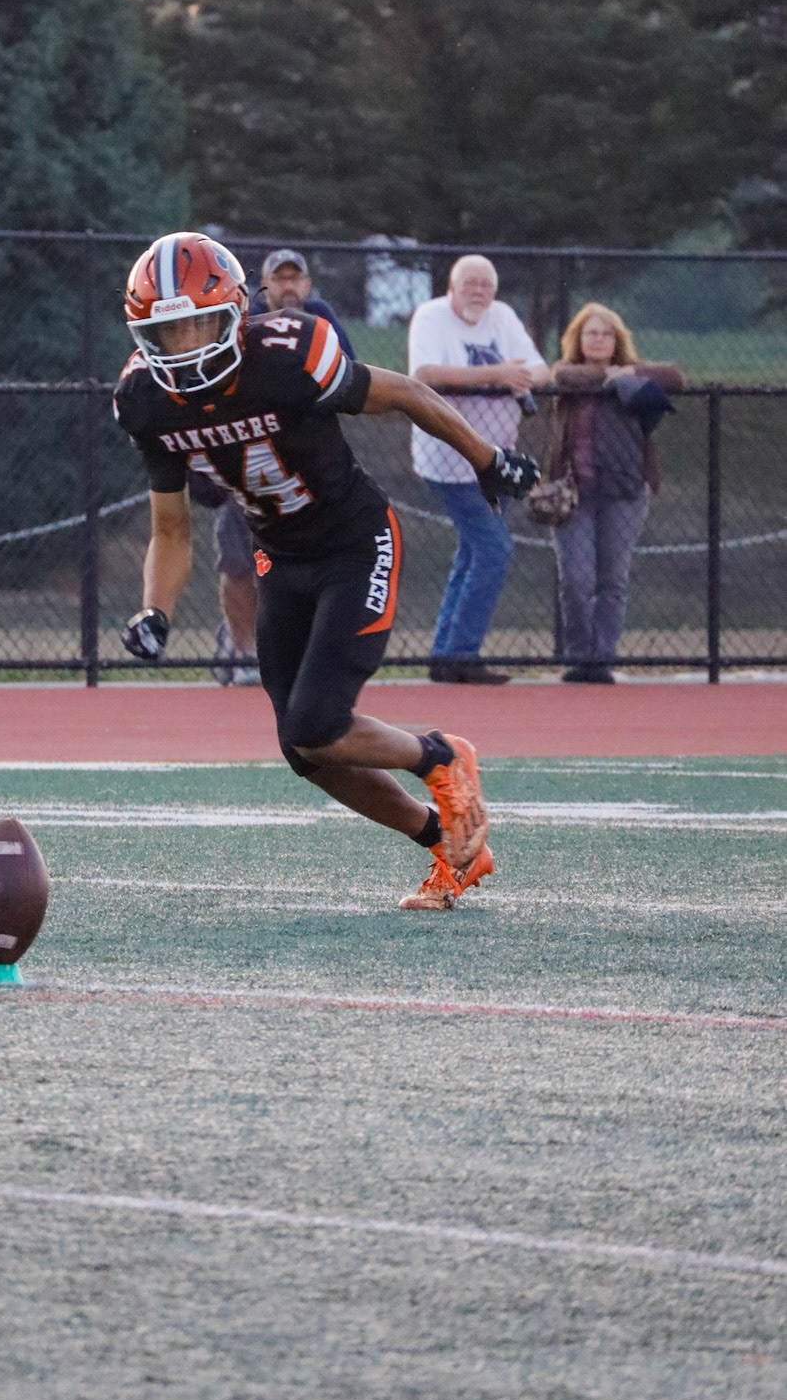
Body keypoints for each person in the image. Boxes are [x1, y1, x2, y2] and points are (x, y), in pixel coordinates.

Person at [112, 231, 539, 910]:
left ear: (235, 313)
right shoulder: (145, 398)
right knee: (304, 750)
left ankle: (440, 755)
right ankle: (448, 845)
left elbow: (404, 391)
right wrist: (154, 610)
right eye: (168, 331)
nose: (186, 346)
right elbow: (170, 529)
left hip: (354, 543)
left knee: (316, 722)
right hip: (279, 558)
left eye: (198, 324)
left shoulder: (288, 356)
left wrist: (486, 459)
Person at [205, 248, 357, 686]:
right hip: (248, 460)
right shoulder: (245, 319)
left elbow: (348, 378)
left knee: (303, 563)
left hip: (304, 466)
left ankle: (290, 648)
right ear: (265, 285)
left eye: (296, 278)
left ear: (307, 285)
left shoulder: (321, 318)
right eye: (280, 278)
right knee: (238, 560)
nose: (288, 286)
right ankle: (241, 649)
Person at [408, 255, 548, 684]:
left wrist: (519, 379)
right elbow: (425, 373)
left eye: (486, 284)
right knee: (493, 550)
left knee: (473, 552)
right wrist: (497, 374)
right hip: (448, 459)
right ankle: (461, 654)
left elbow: (541, 370)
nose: (479, 291)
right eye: (470, 283)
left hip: (497, 460)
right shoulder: (431, 317)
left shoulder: (502, 317)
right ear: (451, 287)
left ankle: (444, 655)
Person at [549, 303, 685, 683]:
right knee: (576, 579)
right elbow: (565, 376)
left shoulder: (634, 376)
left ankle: (602, 660)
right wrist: (610, 377)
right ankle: (580, 657)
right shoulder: (567, 373)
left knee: (613, 580)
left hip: (624, 493)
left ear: (617, 340)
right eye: (591, 333)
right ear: (578, 338)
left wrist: (630, 374)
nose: (598, 339)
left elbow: (675, 377)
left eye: (606, 334)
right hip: (573, 494)